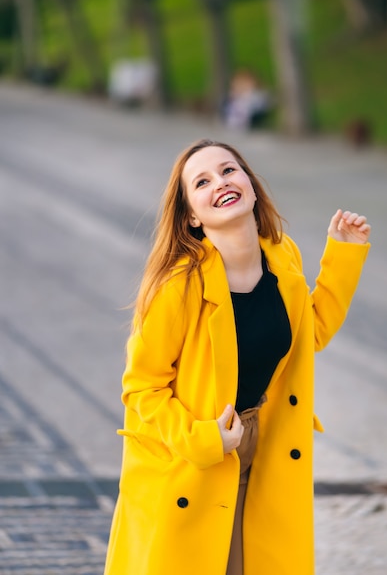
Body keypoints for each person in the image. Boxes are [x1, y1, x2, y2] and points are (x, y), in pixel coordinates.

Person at [104, 138, 371, 575]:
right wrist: (205, 438)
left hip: (263, 445)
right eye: (202, 181)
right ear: (191, 214)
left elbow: (310, 332)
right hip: (190, 458)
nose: (221, 183)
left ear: (248, 182)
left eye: (229, 170)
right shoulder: (178, 288)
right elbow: (140, 389)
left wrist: (343, 252)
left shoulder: (282, 257)